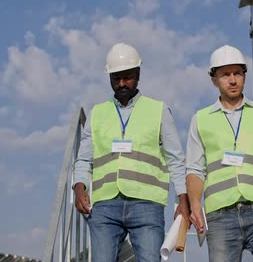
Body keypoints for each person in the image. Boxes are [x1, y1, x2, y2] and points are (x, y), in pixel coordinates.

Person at [73, 42, 189, 262]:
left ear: (138, 74)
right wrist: (79, 187)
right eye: (116, 78)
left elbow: (176, 159)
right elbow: (84, 158)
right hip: (105, 205)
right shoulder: (98, 113)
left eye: (128, 77)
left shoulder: (159, 111)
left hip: (146, 204)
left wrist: (182, 199)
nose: (122, 83)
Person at [186, 45, 253, 262]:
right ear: (214, 79)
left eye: (238, 73)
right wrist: (195, 205)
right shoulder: (201, 119)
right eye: (225, 74)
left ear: (244, 75)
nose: (233, 80)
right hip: (219, 215)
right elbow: (195, 169)